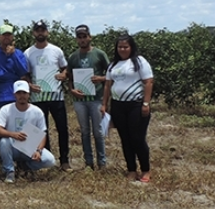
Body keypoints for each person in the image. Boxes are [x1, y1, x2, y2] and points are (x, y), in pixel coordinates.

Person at [101, 34, 154, 183]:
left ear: (131, 47)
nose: (122, 49)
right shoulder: (113, 65)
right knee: (125, 139)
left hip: (135, 105)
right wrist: (104, 104)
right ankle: (131, 169)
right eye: (120, 47)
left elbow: (148, 82)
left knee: (137, 138)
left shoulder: (139, 62)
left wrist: (146, 103)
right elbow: (107, 85)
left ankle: (145, 170)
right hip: (118, 106)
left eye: (125, 46)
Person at [25, 21, 71, 171]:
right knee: (41, 130)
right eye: (37, 30)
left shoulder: (56, 51)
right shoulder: (28, 53)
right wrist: (30, 86)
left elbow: (65, 68)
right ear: (33, 33)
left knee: (62, 128)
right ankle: (47, 159)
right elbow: (25, 74)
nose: (40, 33)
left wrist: (63, 75)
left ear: (47, 32)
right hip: (38, 98)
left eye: (43, 30)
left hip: (56, 96)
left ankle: (64, 161)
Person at [0, 80, 57, 183]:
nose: (21, 96)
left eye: (24, 93)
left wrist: (38, 151)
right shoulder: (6, 109)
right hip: (12, 146)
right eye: (19, 93)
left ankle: (25, 166)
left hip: (30, 147)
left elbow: (43, 134)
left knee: (50, 160)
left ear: (29, 94)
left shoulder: (37, 112)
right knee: (4, 141)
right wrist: (13, 134)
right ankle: (9, 171)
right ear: (14, 94)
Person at [66, 25, 109, 170]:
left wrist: (101, 78)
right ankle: (88, 162)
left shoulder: (99, 54)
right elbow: (69, 77)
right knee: (84, 131)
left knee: (98, 131)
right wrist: (72, 90)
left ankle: (102, 162)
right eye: (79, 37)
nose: (82, 39)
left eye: (85, 36)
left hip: (96, 98)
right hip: (80, 101)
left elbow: (110, 75)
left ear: (90, 37)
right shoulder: (73, 57)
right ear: (76, 39)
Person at [0, 24, 29, 121]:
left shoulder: (19, 54)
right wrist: (15, 76)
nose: (6, 37)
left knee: (19, 124)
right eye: (4, 35)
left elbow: (23, 72)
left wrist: (13, 55)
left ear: (12, 36)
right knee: (1, 126)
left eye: (9, 34)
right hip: (0, 97)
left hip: (18, 96)